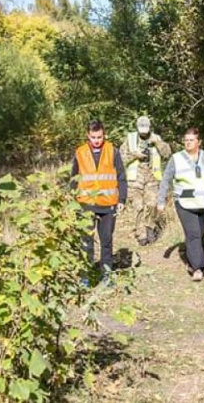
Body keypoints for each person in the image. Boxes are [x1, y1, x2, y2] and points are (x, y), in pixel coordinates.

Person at [157, 127, 204, 281]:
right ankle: (198, 268)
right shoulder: (177, 158)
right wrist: (161, 201)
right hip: (184, 203)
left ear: (199, 142)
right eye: (186, 140)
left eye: (191, 140)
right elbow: (166, 180)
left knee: (200, 233)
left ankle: (191, 260)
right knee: (193, 234)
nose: (188, 143)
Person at [71, 120, 127, 286]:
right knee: (85, 242)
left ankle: (107, 277)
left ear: (104, 134)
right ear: (88, 135)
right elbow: (73, 178)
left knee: (106, 241)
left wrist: (122, 199)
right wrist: (71, 200)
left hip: (108, 205)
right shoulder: (80, 152)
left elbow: (121, 177)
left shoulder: (113, 151)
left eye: (99, 136)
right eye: (93, 137)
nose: (97, 140)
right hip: (85, 204)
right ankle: (85, 277)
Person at [120, 116, 171, 246]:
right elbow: (120, 158)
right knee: (138, 206)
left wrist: (157, 144)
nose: (144, 132)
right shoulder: (130, 139)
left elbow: (167, 154)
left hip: (152, 178)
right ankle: (141, 233)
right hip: (135, 179)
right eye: (141, 129)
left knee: (152, 204)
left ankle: (150, 228)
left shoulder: (156, 138)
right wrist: (134, 155)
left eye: (146, 129)